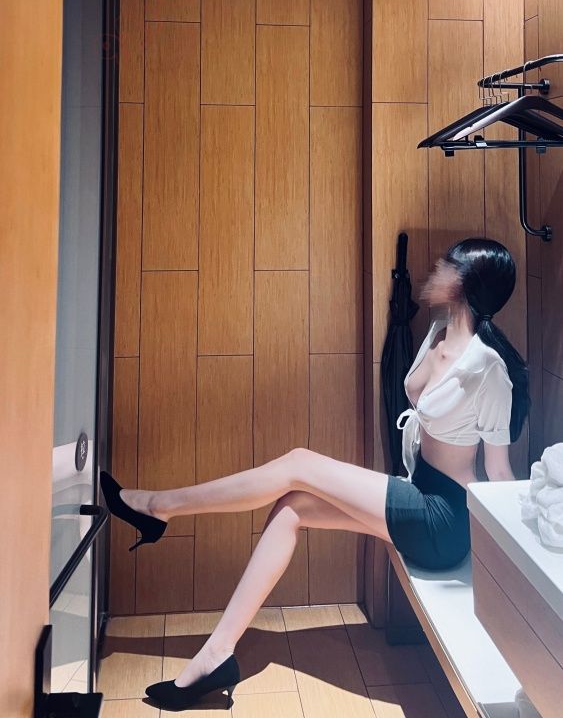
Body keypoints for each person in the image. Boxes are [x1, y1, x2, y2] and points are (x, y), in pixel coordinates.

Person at [100, 236, 530, 711]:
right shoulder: (436, 334)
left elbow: (497, 471)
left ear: (465, 283)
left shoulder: (488, 370)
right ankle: (216, 655)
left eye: (447, 264)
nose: (435, 266)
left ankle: (157, 506)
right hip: (417, 492)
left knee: (298, 463)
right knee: (292, 509)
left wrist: (513, 567)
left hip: (443, 521)